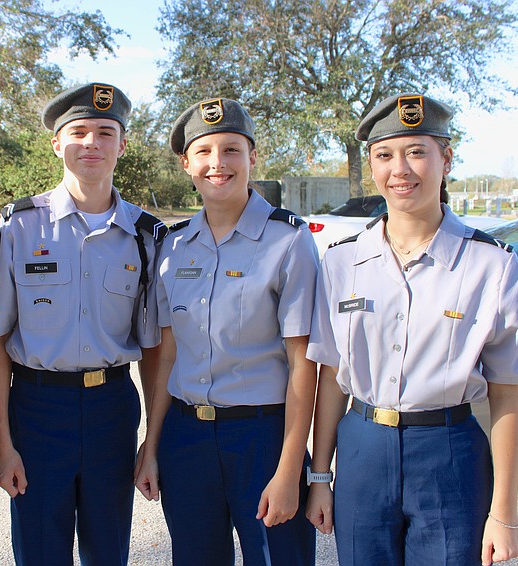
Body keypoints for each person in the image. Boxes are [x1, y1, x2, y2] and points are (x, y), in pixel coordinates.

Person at [305, 93, 518, 566]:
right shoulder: (343, 262)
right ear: (372, 166)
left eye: (417, 152)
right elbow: (330, 379)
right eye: (385, 155)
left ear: (446, 159)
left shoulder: (492, 265)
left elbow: (508, 395)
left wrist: (504, 512)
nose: (400, 169)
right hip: (363, 448)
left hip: (449, 454)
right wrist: (321, 477)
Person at [0, 82, 165, 565]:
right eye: (78, 131)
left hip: (112, 410)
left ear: (122, 145)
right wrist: (3, 441)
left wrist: (153, 439)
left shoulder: (145, 236)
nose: (92, 143)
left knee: (108, 550)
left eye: (106, 132)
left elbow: (152, 348)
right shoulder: (20, 227)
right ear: (56, 143)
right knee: (40, 549)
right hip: (38, 409)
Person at [134, 98, 319, 565]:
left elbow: (304, 365)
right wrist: (152, 446)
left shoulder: (288, 241)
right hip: (186, 436)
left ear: (253, 157)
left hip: (261, 438)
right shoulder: (173, 247)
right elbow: (167, 358)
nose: (218, 164)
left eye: (232, 150)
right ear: (186, 164)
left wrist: (290, 469)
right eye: (204, 152)